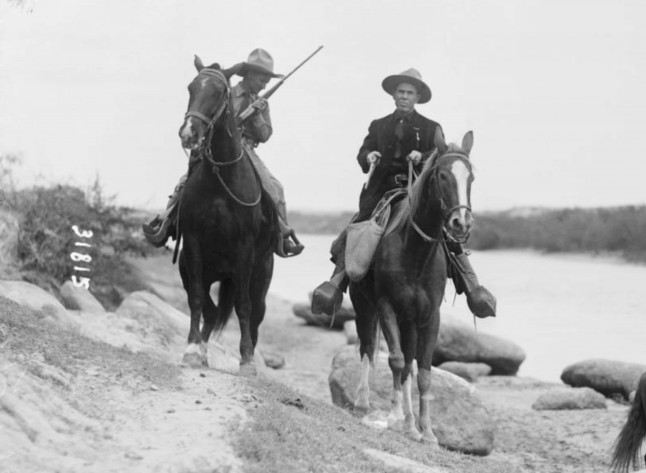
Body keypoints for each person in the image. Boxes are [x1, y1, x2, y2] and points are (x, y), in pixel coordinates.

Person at [310, 68, 496, 317]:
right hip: (382, 190)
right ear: (394, 96)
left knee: (445, 231)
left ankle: (472, 286)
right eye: (401, 92)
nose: (405, 97)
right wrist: (369, 156)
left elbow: (441, 159)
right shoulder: (378, 126)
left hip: (417, 191)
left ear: (417, 97)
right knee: (358, 227)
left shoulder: (431, 128)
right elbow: (362, 152)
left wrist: (424, 157)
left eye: (410, 93)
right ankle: (337, 281)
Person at [142, 48, 304, 257]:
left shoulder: (262, 103)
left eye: (267, 81)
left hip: (247, 150)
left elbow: (265, 135)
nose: (264, 84)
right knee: (185, 183)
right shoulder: (226, 93)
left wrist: (257, 116)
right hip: (218, 146)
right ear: (249, 75)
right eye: (262, 79)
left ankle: (281, 237)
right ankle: (166, 222)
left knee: (275, 188)